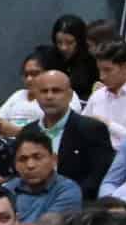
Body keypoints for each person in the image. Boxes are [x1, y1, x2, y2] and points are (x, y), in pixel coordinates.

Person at [24, 71, 114, 199]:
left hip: (77, 204)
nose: (49, 96)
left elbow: (97, 177)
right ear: (36, 96)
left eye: (56, 91)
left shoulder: (92, 129)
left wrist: (65, 199)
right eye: (44, 91)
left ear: (70, 95)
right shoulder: (28, 132)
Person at [0, 126, 83, 225]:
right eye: (23, 159)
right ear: (15, 164)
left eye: (37, 157)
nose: (30, 165)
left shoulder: (68, 190)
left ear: (54, 159)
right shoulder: (8, 189)